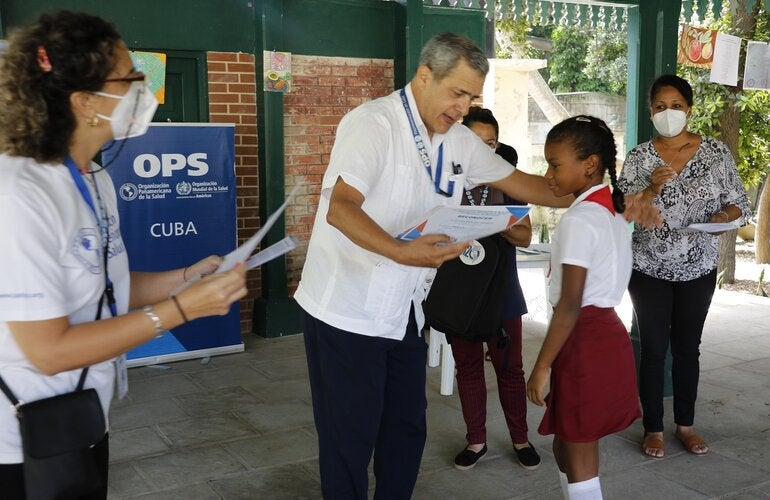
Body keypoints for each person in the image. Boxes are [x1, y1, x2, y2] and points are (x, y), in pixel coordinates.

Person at [293, 32, 588, 499]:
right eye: (458, 93)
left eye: (472, 97)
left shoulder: (458, 141)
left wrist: (602, 191)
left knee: (407, 430)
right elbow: (341, 209)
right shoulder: (373, 124)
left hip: (405, 311)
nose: (464, 107)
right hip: (346, 311)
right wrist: (402, 251)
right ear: (424, 75)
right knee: (348, 439)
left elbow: (529, 185)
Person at [0, 11, 247, 499]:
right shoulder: (19, 194)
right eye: (130, 77)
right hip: (22, 434)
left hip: (83, 413)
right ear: (85, 101)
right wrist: (181, 311)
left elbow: (102, 287)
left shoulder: (95, 178)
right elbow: (48, 352)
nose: (143, 88)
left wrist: (185, 279)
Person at [617, 74, 751, 459]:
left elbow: (738, 201)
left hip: (698, 265)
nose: (668, 113)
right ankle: (653, 429)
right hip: (648, 266)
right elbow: (624, 209)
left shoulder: (716, 153)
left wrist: (722, 214)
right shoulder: (641, 157)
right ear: (650, 112)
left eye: (675, 106)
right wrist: (652, 189)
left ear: (689, 109)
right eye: (660, 107)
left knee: (688, 348)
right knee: (654, 348)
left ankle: (686, 426)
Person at [527, 115, 641, 500]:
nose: (548, 175)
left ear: (590, 164)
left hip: (584, 338)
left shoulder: (580, 219)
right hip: (605, 332)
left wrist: (541, 366)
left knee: (577, 446)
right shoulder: (610, 211)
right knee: (570, 438)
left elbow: (571, 303)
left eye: (555, 164)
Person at [449, 106, 540, 472]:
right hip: (461, 293)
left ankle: (521, 438)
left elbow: (525, 235)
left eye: (491, 143)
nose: (484, 150)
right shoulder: (446, 183)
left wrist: (498, 222)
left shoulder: (507, 181)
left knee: (510, 368)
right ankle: (476, 440)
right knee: (468, 368)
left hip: (502, 291)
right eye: (475, 142)